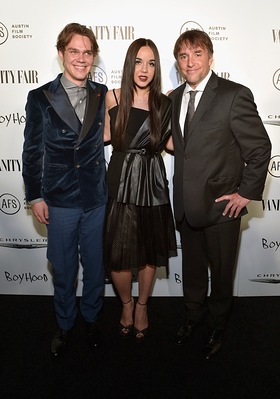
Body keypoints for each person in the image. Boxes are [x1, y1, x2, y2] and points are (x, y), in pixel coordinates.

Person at [167, 29, 271, 360]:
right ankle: (192, 318)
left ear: (211, 58)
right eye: (183, 56)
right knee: (193, 271)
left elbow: (259, 149)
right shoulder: (172, 99)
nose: (189, 61)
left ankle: (218, 325)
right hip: (186, 206)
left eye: (197, 54)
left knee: (222, 275)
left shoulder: (233, 95)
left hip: (221, 207)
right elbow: (184, 147)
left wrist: (246, 193)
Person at [22, 23, 108, 358]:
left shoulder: (103, 94)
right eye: (74, 51)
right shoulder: (41, 97)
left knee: (96, 267)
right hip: (59, 198)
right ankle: (64, 322)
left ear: (93, 56)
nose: (81, 58)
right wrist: (35, 196)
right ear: (61, 54)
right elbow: (32, 152)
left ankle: (91, 319)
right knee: (63, 267)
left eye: (87, 52)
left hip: (96, 197)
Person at [103, 38, 177, 342]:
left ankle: (143, 306)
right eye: (138, 61)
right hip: (120, 178)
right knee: (117, 254)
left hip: (151, 180)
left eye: (151, 63)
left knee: (149, 253)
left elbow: (172, 144)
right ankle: (126, 304)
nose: (144, 69)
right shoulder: (112, 96)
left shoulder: (165, 103)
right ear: (129, 63)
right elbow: (104, 136)